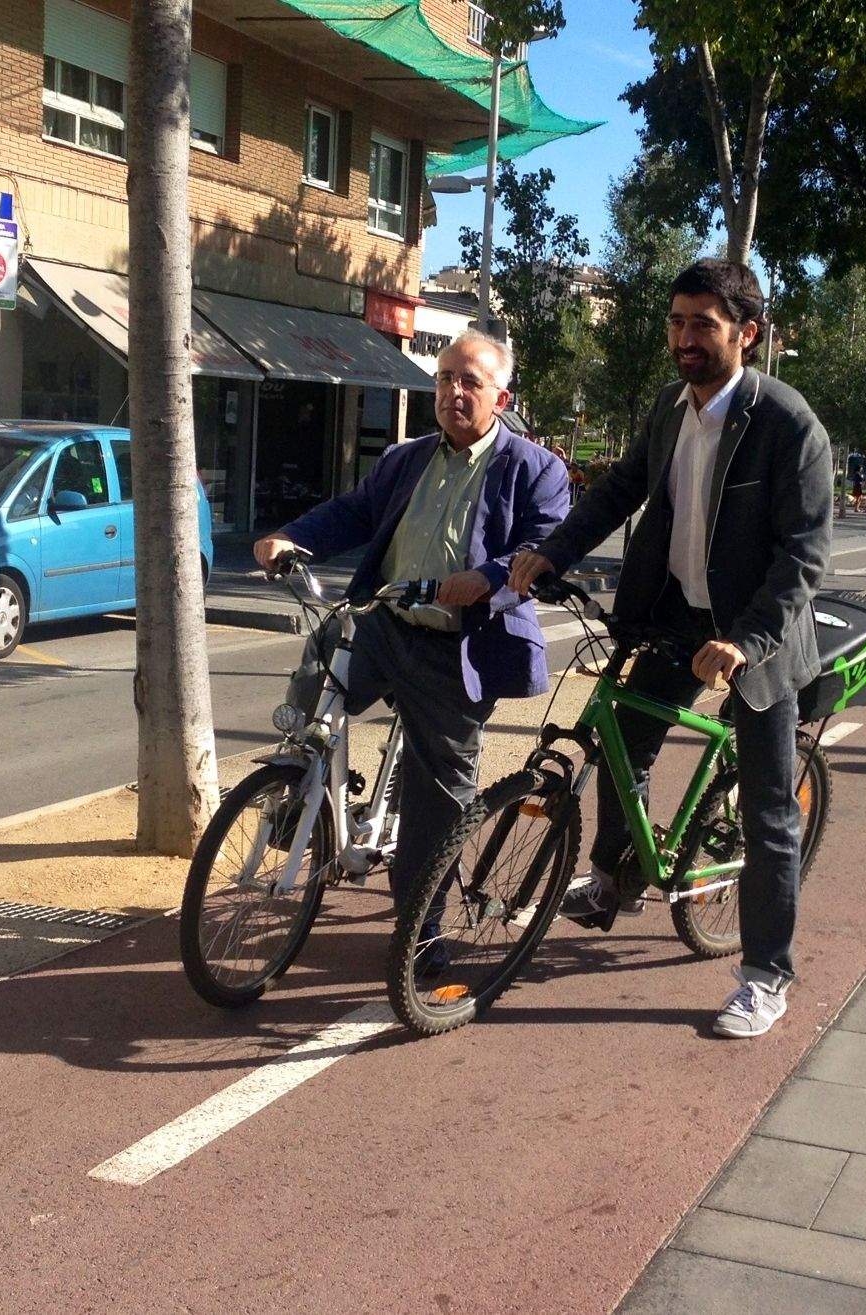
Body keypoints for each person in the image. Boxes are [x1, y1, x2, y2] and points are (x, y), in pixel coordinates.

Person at [509, 258, 835, 1040]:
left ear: (747, 334)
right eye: (676, 322)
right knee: (621, 736)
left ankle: (765, 975)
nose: (684, 338)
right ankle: (614, 879)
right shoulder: (669, 407)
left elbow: (804, 554)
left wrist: (747, 641)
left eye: (704, 325)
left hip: (755, 636)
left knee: (766, 812)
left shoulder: (788, 425)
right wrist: (554, 551)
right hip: (672, 616)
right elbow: (621, 490)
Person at [252, 331, 570, 949]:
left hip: (458, 647)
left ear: (500, 396)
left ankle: (420, 928)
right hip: (387, 624)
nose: (453, 391)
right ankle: (302, 783)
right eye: (445, 378)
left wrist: (487, 579)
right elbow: (351, 512)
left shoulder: (537, 470)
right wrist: (289, 535)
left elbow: (541, 550)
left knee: (438, 792)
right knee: (322, 656)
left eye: (470, 381)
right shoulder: (405, 459)